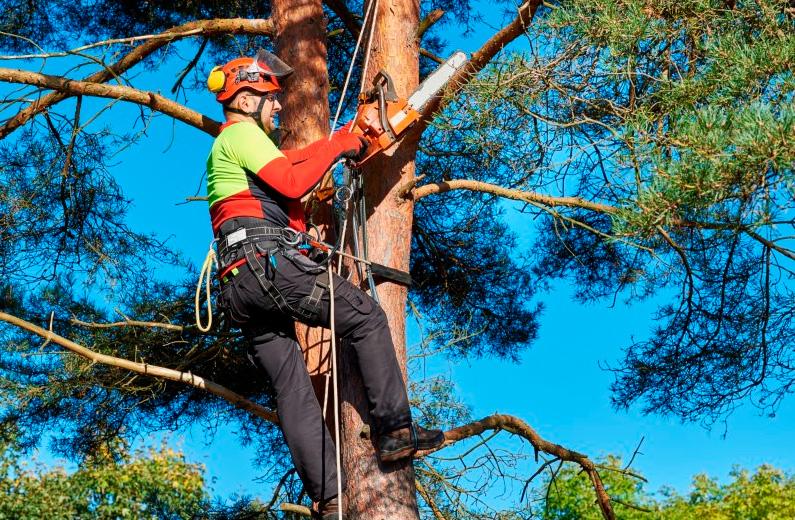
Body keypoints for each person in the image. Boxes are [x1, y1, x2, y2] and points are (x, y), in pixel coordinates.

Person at [205, 49, 444, 519]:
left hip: (240, 285)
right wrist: (339, 144)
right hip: (265, 266)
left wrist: (346, 139)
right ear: (248, 97)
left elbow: (291, 167)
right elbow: (293, 181)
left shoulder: (239, 151)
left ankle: (330, 498)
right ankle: (394, 431)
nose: (278, 108)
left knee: (291, 387)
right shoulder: (241, 135)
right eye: (271, 100)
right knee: (366, 317)